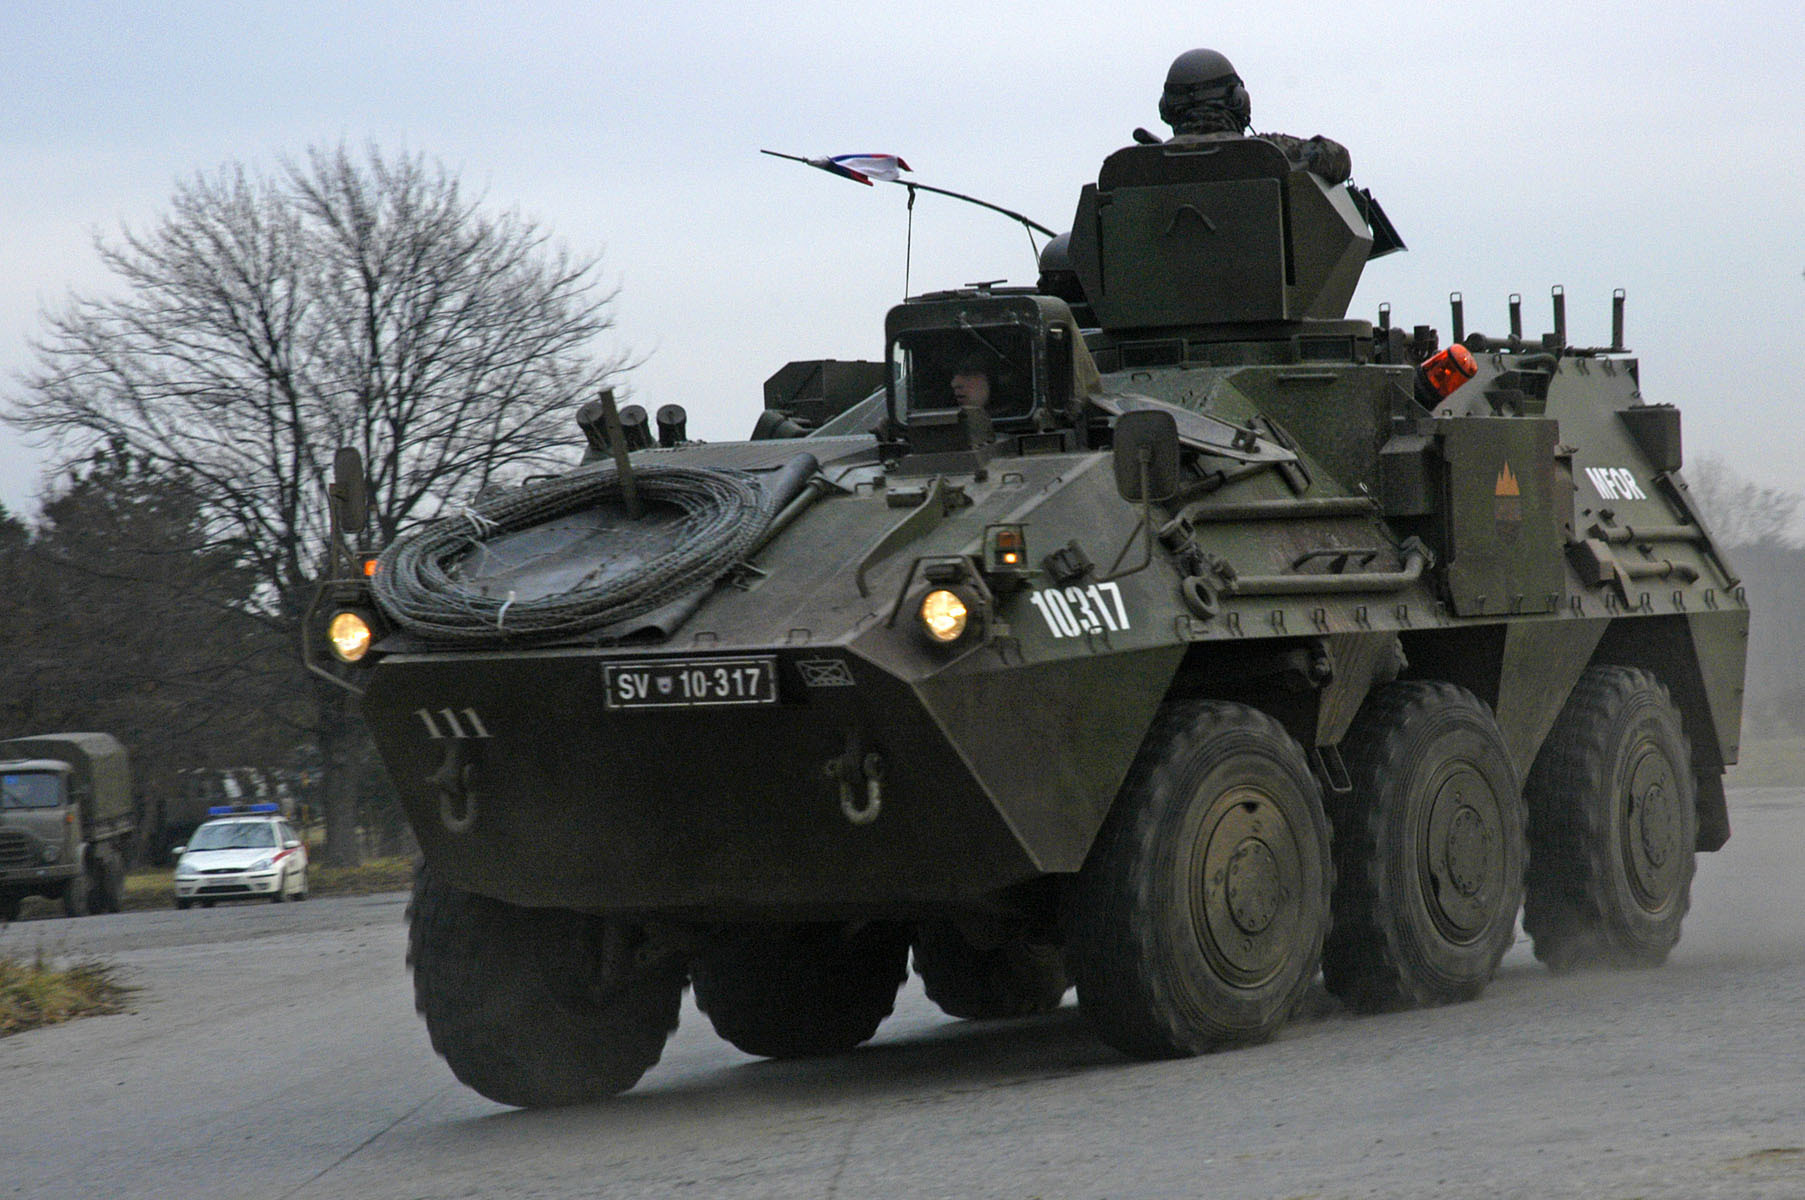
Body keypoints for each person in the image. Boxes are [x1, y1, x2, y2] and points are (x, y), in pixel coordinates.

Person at [1149, 48, 1352, 185]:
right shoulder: (1268, 152)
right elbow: (1338, 159)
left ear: (1167, 108)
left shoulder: (1141, 165)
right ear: (1238, 100)